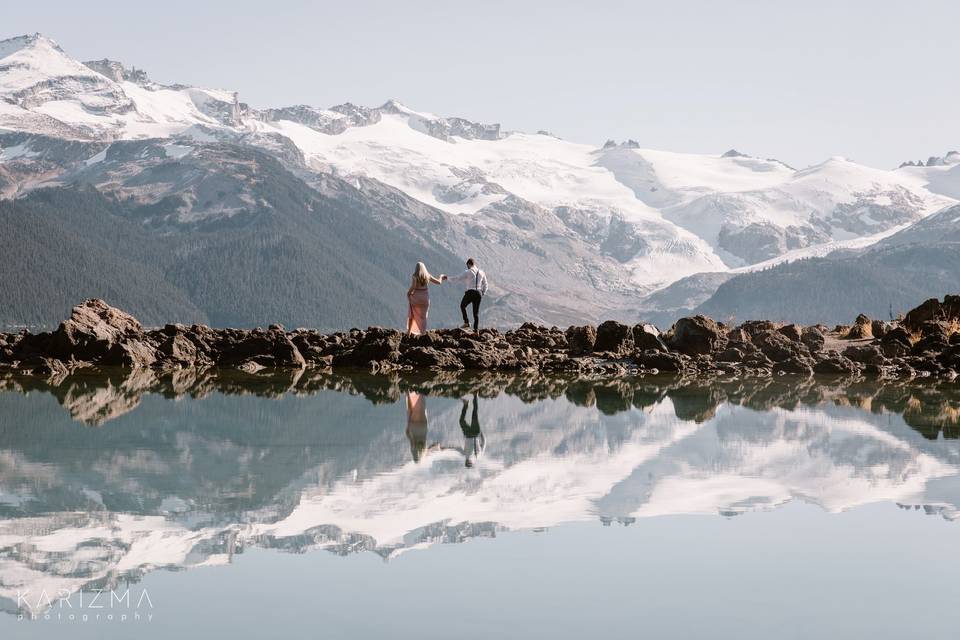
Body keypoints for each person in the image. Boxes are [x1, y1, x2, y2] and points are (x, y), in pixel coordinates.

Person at [447, 258, 488, 332]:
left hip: (470, 292)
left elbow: (457, 278)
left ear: (469, 264)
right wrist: (483, 292)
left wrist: (447, 278)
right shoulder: (482, 272)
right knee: (476, 313)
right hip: (478, 293)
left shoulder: (468, 272)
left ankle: (466, 322)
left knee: (463, 306)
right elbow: (485, 284)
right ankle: (476, 330)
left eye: (467, 266)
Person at [406, 262, 446, 335]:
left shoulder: (414, 276)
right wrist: (441, 276)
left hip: (416, 298)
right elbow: (439, 282)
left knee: (411, 313)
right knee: (423, 317)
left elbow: (413, 287)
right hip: (425, 299)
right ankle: (423, 332)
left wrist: (408, 293)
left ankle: (409, 332)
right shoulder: (428, 276)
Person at [459, 393, 485, 468]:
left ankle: (475, 396)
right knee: (461, 421)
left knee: (474, 413)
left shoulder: (479, 456)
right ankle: (466, 404)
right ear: (466, 462)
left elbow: (484, 442)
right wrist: (442, 448)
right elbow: (456, 449)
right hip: (468, 434)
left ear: (472, 462)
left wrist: (480, 433)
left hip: (476, 433)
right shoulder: (465, 455)